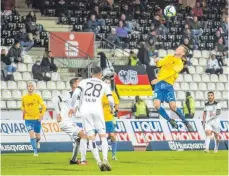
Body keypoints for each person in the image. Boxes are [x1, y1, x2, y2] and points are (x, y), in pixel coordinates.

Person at [69, 66, 114, 171]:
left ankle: (98, 162)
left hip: (85, 111)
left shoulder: (84, 82)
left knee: (91, 138)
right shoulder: (104, 84)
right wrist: (112, 109)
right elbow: (111, 100)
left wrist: (72, 107)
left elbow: (75, 94)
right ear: (101, 75)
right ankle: (105, 159)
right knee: (103, 136)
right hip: (97, 110)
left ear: (91, 74)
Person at [151, 45, 194, 131]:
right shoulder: (169, 57)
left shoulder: (180, 64)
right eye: (178, 47)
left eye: (180, 48)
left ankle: (185, 122)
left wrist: (158, 79)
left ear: (182, 53)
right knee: (156, 105)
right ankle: (170, 120)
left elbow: (170, 73)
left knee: (173, 107)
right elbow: (160, 64)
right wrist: (156, 61)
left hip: (168, 86)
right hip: (159, 85)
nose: (177, 48)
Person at [52, 78, 87, 164]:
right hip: (65, 121)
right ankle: (83, 161)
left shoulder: (79, 96)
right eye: (79, 82)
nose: (81, 83)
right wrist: (58, 113)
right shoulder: (69, 94)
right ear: (75, 85)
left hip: (69, 121)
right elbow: (54, 99)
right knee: (83, 135)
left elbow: (76, 112)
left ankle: (73, 160)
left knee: (79, 139)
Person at [21, 82, 46, 156]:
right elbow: (22, 106)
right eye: (29, 86)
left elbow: (44, 106)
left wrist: (41, 115)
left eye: (31, 86)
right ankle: (35, 152)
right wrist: (22, 109)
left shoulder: (37, 96)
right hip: (28, 120)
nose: (30, 87)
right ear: (27, 88)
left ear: (34, 88)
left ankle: (37, 141)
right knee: (32, 135)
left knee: (38, 137)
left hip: (36, 120)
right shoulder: (24, 97)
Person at [102, 77, 119, 160]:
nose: (107, 83)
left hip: (109, 118)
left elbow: (116, 104)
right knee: (94, 136)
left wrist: (115, 111)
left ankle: (113, 155)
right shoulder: (100, 94)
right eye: (106, 82)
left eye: (108, 82)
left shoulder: (113, 94)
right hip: (100, 118)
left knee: (112, 135)